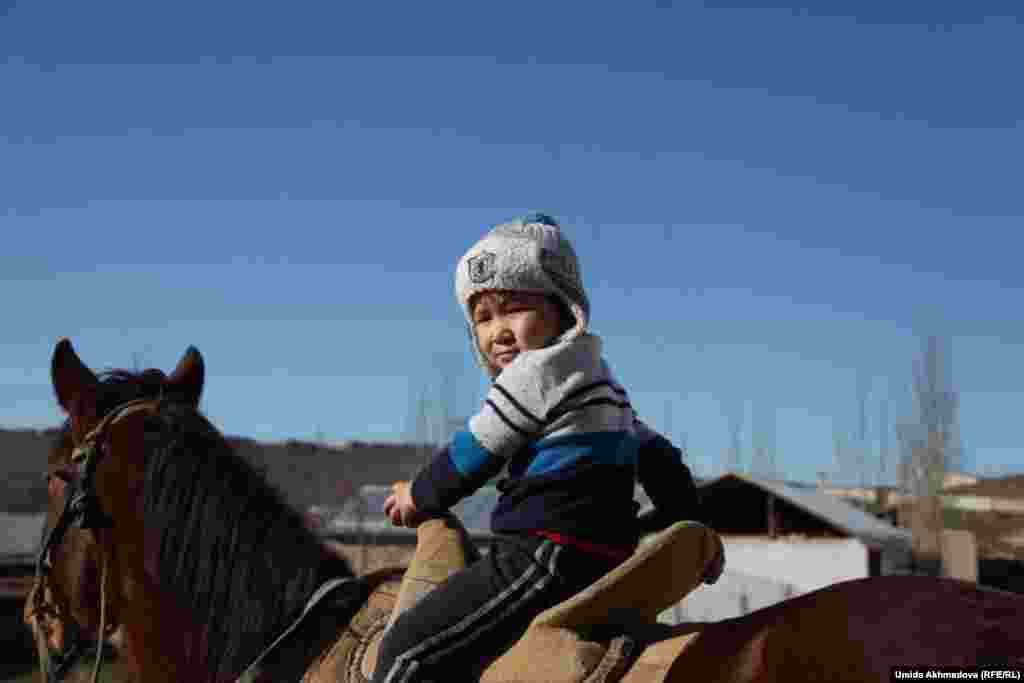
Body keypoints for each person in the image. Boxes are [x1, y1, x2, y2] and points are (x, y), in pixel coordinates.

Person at [375, 213, 709, 683]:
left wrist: (417, 496)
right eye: (483, 318)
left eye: (515, 309)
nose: (498, 332)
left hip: (544, 554)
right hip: (608, 558)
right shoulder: (599, 380)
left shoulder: (537, 374)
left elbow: (476, 451)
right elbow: (661, 459)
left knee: (405, 652)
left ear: (563, 309)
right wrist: (687, 524)